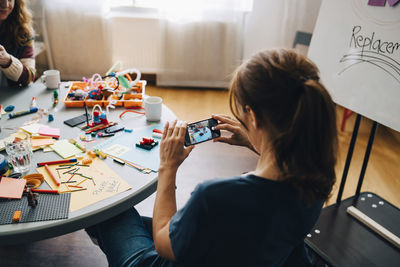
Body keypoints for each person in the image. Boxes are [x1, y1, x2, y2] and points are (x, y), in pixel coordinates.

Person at [86, 49, 338, 267]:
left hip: (161, 260)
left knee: (108, 210)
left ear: (253, 116)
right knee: (132, 224)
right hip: (251, 249)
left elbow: (164, 243)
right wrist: (254, 142)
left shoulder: (216, 196)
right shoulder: (317, 176)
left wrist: (167, 167)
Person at [0, 0, 35, 87]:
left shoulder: (23, 31)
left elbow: (29, 77)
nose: (5, 5)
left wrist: (8, 61)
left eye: (10, 0)